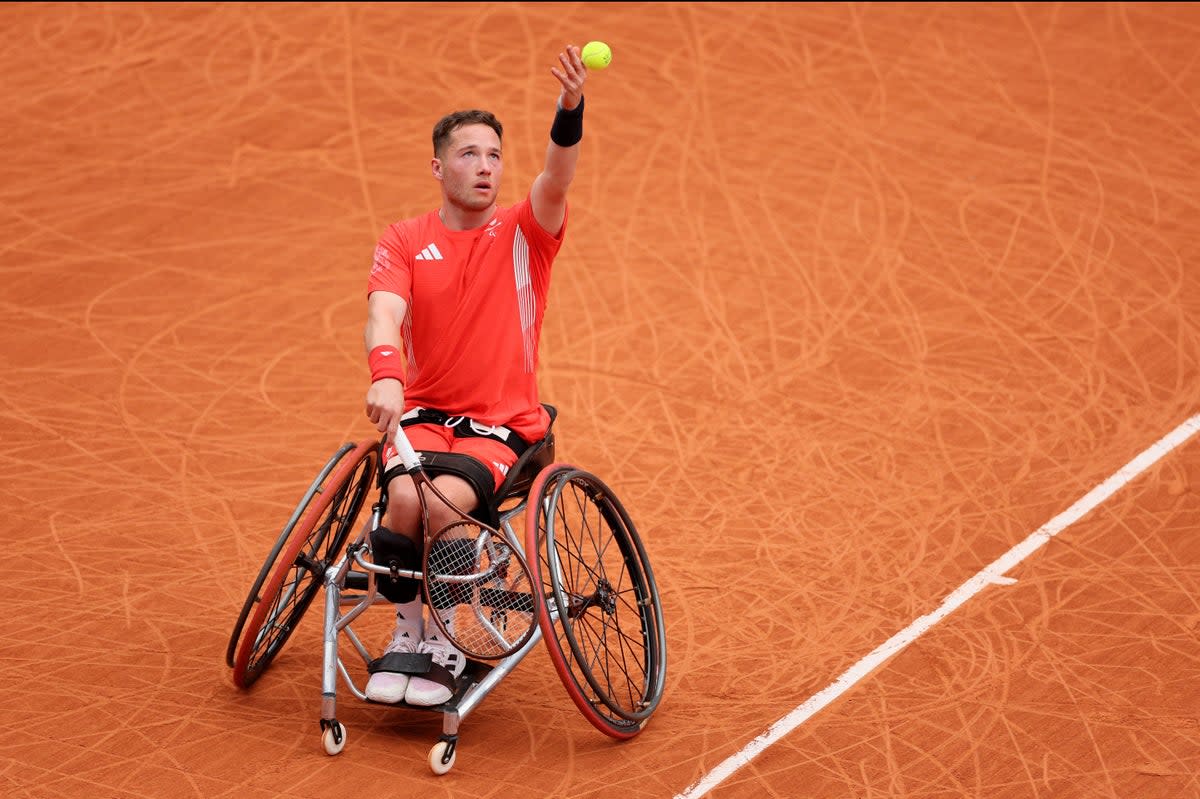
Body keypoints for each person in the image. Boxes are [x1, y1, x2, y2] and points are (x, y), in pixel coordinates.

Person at [360, 44, 591, 707]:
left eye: (493, 155)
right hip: (425, 412)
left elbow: (557, 176)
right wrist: (386, 375)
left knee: (434, 501)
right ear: (438, 167)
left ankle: (441, 639)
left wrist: (569, 108)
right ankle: (408, 632)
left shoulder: (525, 231)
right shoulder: (405, 239)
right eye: (469, 154)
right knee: (403, 501)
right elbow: (384, 312)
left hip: (502, 422)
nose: (485, 167)